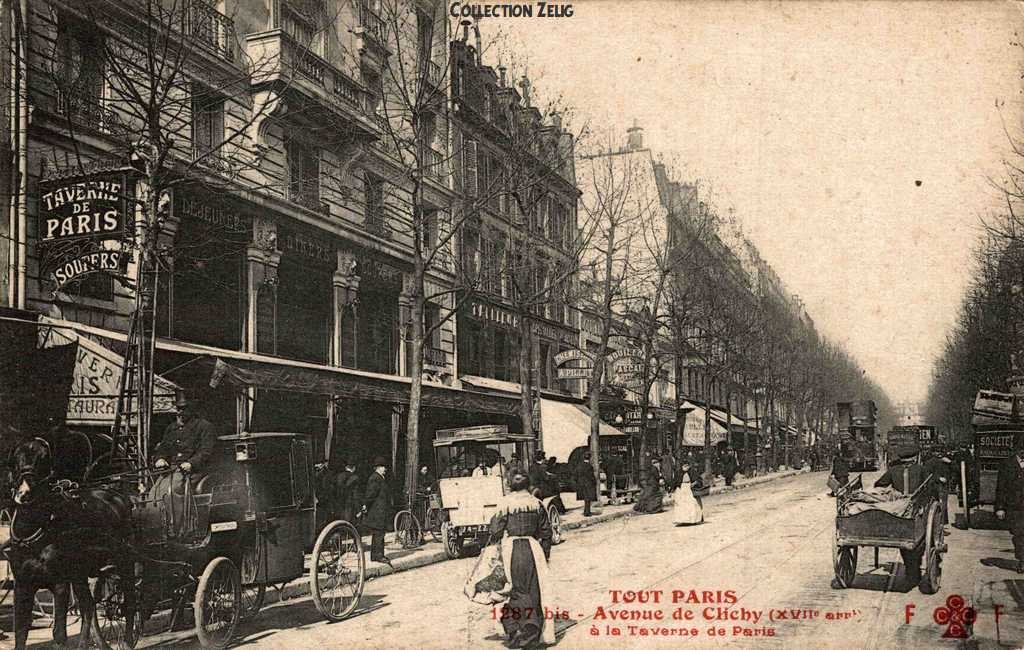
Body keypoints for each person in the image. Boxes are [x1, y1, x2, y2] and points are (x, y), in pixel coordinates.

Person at [488, 472, 555, 648]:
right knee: (533, 591)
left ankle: (514, 629)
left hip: (511, 549)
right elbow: (546, 532)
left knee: (512, 590)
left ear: (511, 485)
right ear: (528, 485)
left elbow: (495, 531)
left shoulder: (505, 503)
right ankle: (530, 632)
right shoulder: (537, 503)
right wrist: (544, 555)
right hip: (533, 549)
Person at [150, 391, 217, 501]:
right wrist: (160, 459)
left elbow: (207, 451)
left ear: (192, 408)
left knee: (172, 491)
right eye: (178, 409)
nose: (180, 412)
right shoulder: (171, 428)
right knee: (154, 492)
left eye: (183, 409)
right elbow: (163, 448)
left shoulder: (204, 427)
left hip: (194, 471)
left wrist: (191, 463)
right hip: (171, 471)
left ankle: (175, 518)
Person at [874, 444, 927, 585]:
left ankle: (911, 572)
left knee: (903, 538)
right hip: (915, 509)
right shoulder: (920, 469)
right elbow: (929, 489)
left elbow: (878, 485)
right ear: (915, 458)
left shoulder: (893, 470)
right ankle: (914, 573)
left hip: (898, 510)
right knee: (917, 539)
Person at [996, 440, 1024, 573]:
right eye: (1021, 449)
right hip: (1015, 507)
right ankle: (1022, 560)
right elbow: (1001, 488)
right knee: (1019, 534)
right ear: (1016, 450)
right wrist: (1000, 507)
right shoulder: (1007, 464)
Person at [362, 456, 392, 565]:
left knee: (378, 533)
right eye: (383, 467)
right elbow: (371, 494)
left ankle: (375, 555)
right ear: (377, 468)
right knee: (379, 533)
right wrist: (366, 505)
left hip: (380, 510)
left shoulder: (379, 478)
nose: (385, 469)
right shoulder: (375, 478)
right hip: (377, 511)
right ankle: (379, 555)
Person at [672, 459, 704, 525]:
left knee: (692, 503)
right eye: (684, 466)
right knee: (682, 504)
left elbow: (698, 479)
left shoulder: (692, 471)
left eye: (687, 466)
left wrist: (694, 483)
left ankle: (693, 519)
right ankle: (683, 520)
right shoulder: (678, 473)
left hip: (690, 488)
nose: (686, 467)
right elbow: (675, 482)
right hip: (681, 489)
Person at [574, 452, 598, 516]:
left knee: (585, 498)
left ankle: (586, 511)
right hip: (588, 484)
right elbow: (591, 476)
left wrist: (578, 482)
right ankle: (587, 512)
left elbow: (575, 475)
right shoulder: (589, 466)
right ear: (589, 458)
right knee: (588, 499)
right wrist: (594, 482)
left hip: (581, 484)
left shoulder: (579, 465)